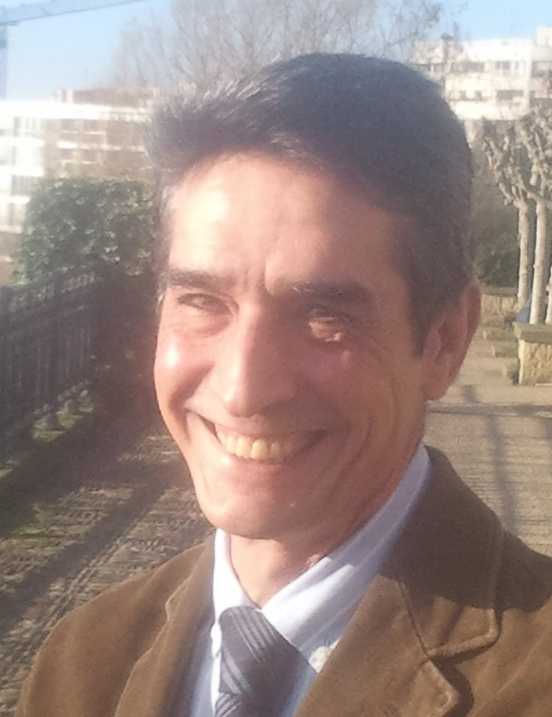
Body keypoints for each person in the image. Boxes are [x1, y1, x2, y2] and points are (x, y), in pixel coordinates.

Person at [16, 54, 552, 717]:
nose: (244, 389)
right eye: (202, 301)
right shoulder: (82, 659)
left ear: (443, 341)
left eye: (325, 315)